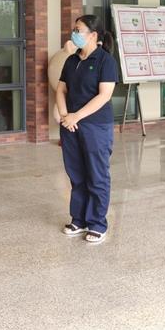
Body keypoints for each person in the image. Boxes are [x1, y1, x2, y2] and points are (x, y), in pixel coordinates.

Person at [56, 14, 117, 244]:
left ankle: (97, 223)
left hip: (95, 126)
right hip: (70, 126)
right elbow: (61, 90)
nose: (74, 34)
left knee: (97, 175)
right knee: (76, 174)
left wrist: (77, 116)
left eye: (78, 30)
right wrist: (65, 116)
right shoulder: (71, 60)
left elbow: (104, 95)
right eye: (74, 29)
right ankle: (79, 219)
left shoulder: (105, 61)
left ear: (93, 35)